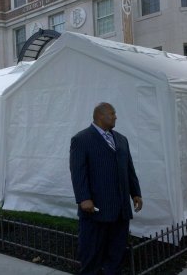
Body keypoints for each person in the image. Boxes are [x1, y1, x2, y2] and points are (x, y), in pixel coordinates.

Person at [70, 102, 143, 275]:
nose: (116, 116)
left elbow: (129, 169)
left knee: (116, 252)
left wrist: (136, 193)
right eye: (112, 113)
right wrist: (83, 198)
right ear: (100, 116)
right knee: (92, 253)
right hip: (95, 209)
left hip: (120, 209)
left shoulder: (121, 139)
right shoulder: (81, 139)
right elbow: (78, 171)